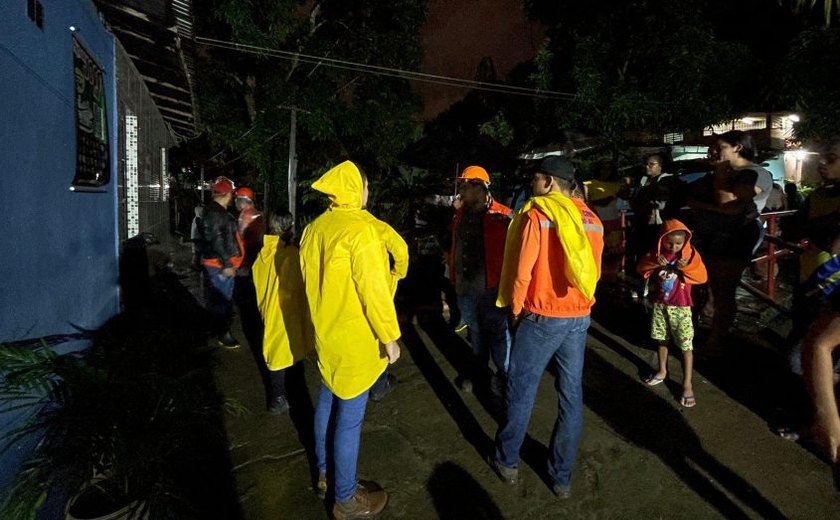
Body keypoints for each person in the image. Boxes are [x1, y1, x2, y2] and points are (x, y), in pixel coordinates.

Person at [491, 156, 604, 499]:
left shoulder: (538, 214)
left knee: (521, 391)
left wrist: (513, 310)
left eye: (536, 179)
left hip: (541, 316)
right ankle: (561, 477)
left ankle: (507, 460)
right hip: (579, 316)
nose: (532, 185)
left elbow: (522, 271)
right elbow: (594, 272)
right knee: (571, 396)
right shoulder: (592, 218)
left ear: (551, 183)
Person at [299, 160, 401, 519]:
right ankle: (345, 499)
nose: (368, 193)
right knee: (349, 420)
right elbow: (374, 292)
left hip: (326, 336)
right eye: (366, 186)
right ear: (357, 190)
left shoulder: (314, 230)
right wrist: (389, 337)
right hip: (356, 340)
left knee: (327, 399)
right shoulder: (361, 232)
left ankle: (325, 472)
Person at [687, 131, 772, 355]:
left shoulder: (756, 173)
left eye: (720, 146)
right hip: (708, 236)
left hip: (735, 237)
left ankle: (716, 341)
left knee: (724, 291)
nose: (714, 151)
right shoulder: (715, 173)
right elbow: (694, 200)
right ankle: (698, 331)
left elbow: (727, 201)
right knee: (706, 287)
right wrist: (717, 208)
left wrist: (721, 176)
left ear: (737, 147)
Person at [448, 165, 513, 395]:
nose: (460, 192)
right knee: (475, 332)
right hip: (465, 288)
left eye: (465, 186)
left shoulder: (504, 216)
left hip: (492, 289)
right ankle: (479, 371)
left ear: (479, 187)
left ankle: (504, 376)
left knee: (498, 335)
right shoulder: (460, 214)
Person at [638, 220, 708, 407]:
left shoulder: (691, 256)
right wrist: (654, 261)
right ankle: (662, 371)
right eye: (670, 243)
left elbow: (702, 277)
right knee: (662, 339)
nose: (674, 247)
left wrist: (686, 267)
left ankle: (687, 385)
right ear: (662, 239)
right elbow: (641, 268)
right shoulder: (657, 254)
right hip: (661, 305)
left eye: (678, 243)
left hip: (682, 307)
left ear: (685, 241)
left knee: (686, 346)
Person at [251, 212, 314, 415]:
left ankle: (281, 393)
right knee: (280, 354)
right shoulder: (290, 254)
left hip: (270, 310)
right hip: (284, 312)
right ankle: (277, 398)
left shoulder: (265, 251)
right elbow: (298, 285)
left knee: (280, 351)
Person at [195, 176, 244, 349]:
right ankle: (223, 333)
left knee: (219, 299)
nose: (232, 197)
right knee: (223, 300)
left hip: (218, 262)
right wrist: (227, 264)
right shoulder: (216, 214)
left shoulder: (215, 211)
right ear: (225, 194)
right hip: (219, 264)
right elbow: (217, 240)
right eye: (231, 194)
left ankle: (217, 329)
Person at [630, 154, 683, 264]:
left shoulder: (669, 180)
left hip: (661, 225)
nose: (647, 167)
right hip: (643, 224)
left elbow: (663, 202)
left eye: (651, 164)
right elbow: (635, 203)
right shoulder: (642, 181)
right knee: (644, 255)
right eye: (645, 164)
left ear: (660, 166)